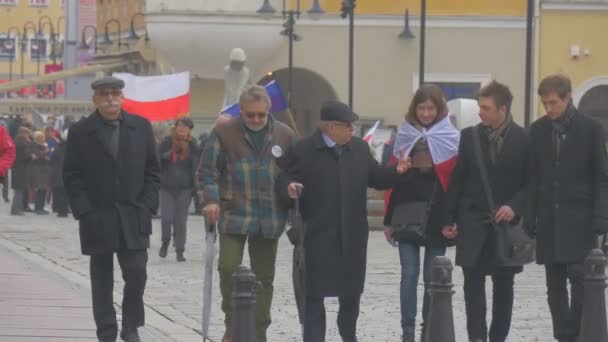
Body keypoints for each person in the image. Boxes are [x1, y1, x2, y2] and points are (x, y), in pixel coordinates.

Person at [276, 100, 412, 342]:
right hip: (317, 234)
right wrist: (289, 186)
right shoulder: (303, 149)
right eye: (347, 126)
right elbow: (284, 175)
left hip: (352, 235)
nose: (352, 130)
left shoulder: (359, 149)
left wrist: (397, 172)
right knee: (313, 294)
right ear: (330, 127)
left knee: (351, 293)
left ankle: (348, 333)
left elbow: (376, 176)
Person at [63, 76, 160, 342]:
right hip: (98, 216)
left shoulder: (140, 127)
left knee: (137, 273)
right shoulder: (81, 131)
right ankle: (106, 330)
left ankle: (130, 325)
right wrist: (84, 210)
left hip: (134, 214)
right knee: (102, 279)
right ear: (95, 99)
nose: (111, 99)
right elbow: (71, 175)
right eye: (105, 94)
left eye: (115, 93)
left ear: (122, 97)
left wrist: (148, 206)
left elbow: (153, 171)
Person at [199, 85, 296, 342]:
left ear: (268, 111)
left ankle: (258, 332)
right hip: (233, 213)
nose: (255, 120)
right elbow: (208, 171)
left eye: (260, 115)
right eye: (250, 114)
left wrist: (293, 187)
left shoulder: (284, 135)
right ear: (241, 111)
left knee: (264, 278)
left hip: (269, 217)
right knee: (228, 267)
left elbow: (295, 170)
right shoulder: (224, 132)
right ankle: (233, 325)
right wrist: (211, 200)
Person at [442, 81, 529, 342]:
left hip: (506, 227)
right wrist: (449, 218)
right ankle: (476, 338)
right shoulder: (469, 137)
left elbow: (532, 182)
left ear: (502, 109)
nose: (480, 112)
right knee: (472, 286)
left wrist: (515, 206)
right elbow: (458, 180)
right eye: (480, 107)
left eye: (486, 108)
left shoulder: (525, 139)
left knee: (504, 287)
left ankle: (498, 338)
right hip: (473, 223)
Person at [527, 74, 608, 342]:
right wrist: (530, 216)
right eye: (545, 103)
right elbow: (533, 177)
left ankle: (575, 333)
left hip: (581, 219)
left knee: (581, 282)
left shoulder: (591, 129)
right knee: (554, 287)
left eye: (553, 103)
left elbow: (601, 176)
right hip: (549, 219)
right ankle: (563, 335)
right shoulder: (538, 130)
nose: (549, 109)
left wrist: (600, 215)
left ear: (568, 98)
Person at [384, 85, 459, 342]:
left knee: (433, 279)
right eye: (421, 107)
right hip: (405, 214)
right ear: (414, 109)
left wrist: (452, 219)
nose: (426, 113)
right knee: (409, 275)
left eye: (431, 108)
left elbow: (454, 182)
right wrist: (388, 220)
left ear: (439, 110)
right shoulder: (404, 135)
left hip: (437, 216)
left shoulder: (451, 136)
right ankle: (407, 332)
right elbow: (392, 179)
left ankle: (429, 329)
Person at [157, 117, 200, 262]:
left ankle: (180, 251)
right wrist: (169, 153)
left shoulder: (193, 145)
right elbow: (157, 159)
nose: (182, 129)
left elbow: (197, 165)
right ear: (175, 127)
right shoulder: (167, 142)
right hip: (167, 187)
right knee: (167, 218)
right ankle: (165, 242)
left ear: (189, 130)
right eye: (179, 126)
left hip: (185, 188)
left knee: (181, 221)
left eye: (185, 127)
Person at [28, 131, 51, 215]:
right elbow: (38, 156)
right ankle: (38, 208)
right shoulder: (35, 146)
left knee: (43, 190)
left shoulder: (41, 146)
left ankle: (41, 207)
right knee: (40, 190)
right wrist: (47, 151)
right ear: (39, 138)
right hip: (38, 171)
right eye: (43, 137)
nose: (44, 139)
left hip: (43, 171)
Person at [10, 127, 32, 215]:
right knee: (19, 190)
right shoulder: (23, 143)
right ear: (23, 133)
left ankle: (14, 209)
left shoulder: (15, 141)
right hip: (21, 169)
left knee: (17, 191)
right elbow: (26, 156)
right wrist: (31, 156)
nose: (28, 136)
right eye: (27, 134)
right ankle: (17, 210)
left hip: (16, 168)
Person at [50, 130, 69, 217]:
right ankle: (64, 210)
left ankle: (60, 210)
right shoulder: (71, 148)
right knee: (65, 194)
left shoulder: (57, 148)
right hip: (68, 173)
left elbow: (52, 160)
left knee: (59, 193)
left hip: (58, 173)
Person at [0, 123, 16, 201]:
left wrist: (1, 167)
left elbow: (9, 150)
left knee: (6, 181)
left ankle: (5, 196)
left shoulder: (1, 131)